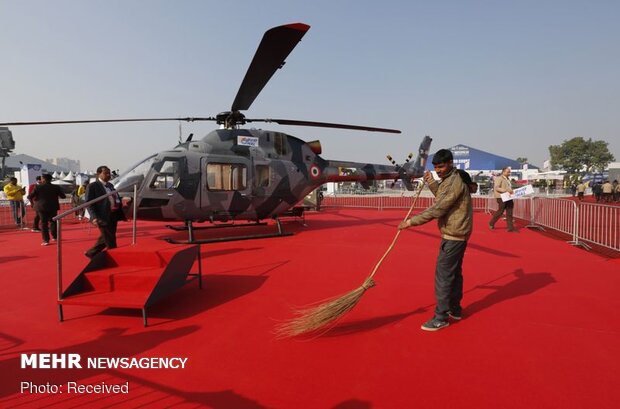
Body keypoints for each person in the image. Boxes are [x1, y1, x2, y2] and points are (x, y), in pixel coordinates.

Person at [398, 149, 473, 331]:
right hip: (458, 233)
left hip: (454, 235)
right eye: (436, 167)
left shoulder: (454, 182)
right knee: (454, 274)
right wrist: (431, 182)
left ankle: (441, 317)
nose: (438, 170)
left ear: (450, 163)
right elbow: (442, 196)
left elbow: (438, 208)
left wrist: (410, 222)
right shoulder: (450, 179)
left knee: (444, 275)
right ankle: (455, 309)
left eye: (441, 166)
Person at [84, 166, 126, 258]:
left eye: (109, 173)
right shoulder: (92, 186)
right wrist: (94, 217)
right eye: (106, 173)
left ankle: (91, 253)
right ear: (99, 174)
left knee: (106, 236)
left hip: (113, 214)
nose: (108, 175)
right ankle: (114, 255)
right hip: (101, 216)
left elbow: (114, 197)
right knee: (110, 238)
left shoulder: (110, 185)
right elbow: (89, 203)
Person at [28, 173, 66, 246]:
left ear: (44, 179)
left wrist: (34, 201)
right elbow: (63, 196)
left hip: (41, 207)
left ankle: (46, 240)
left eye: (41, 178)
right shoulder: (56, 187)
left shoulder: (37, 187)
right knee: (53, 222)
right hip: (53, 207)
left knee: (43, 223)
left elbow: (30, 196)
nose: (41, 180)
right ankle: (55, 237)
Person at [488, 167, 516, 232]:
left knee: (510, 212)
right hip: (501, 197)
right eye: (508, 172)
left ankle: (510, 228)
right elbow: (497, 187)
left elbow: (509, 188)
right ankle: (491, 223)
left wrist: (512, 191)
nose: (509, 173)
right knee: (500, 211)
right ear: (503, 172)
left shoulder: (508, 179)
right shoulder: (499, 178)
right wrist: (506, 190)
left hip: (509, 196)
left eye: (509, 172)